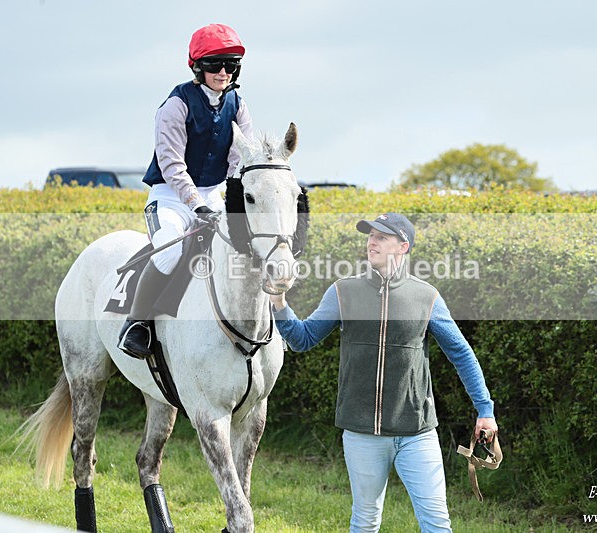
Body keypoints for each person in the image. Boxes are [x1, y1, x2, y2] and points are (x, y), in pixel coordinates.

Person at [270, 213, 498, 533]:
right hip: (361, 433)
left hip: (416, 433)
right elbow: (303, 339)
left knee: (436, 522)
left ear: (403, 246)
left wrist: (485, 409)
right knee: (365, 521)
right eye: (370, 235)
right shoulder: (343, 291)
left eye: (382, 237)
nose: (371, 241)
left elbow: (460, 352)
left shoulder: (426, 296)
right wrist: (278, 301)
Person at [118, 23, 254, 359]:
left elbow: (242, 156)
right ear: (198, 66)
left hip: (215, 195)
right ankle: (138, 324)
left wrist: (230, 198)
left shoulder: (238, 104)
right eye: (214, 65)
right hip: (170, 198)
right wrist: (196, 204)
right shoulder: (175, 105)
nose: (223, 72)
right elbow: (171, 164)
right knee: (168, 251)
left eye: (230, 65)